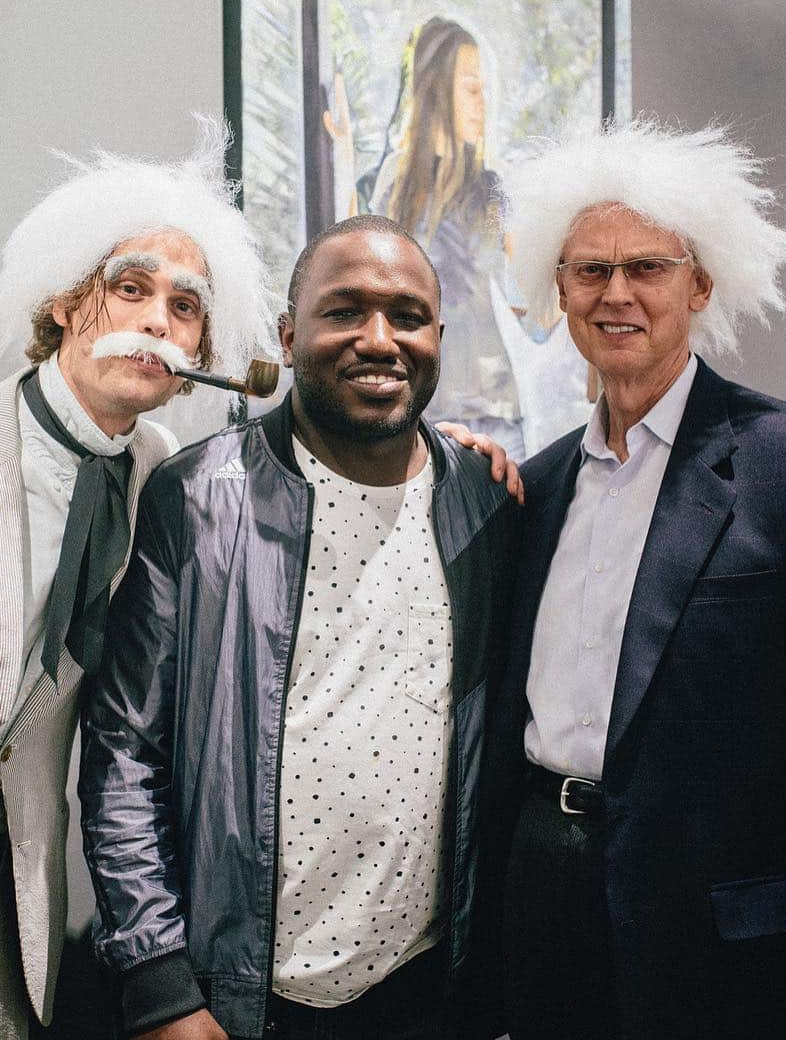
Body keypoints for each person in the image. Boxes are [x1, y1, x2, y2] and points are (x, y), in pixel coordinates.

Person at [0, 138, 275, 1039]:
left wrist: (441, 448)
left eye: (185, 309)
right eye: (133, 288)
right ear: (68, 304)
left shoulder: (163, 480)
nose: (157, 321)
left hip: (23, 937)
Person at [492, 120, 786, 1039]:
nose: (617, 293)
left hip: (728, 948)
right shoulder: (541, 483)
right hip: (548, 909)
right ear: (558, 290)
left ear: (701, 283)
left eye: (647, 267)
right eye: (590, 270)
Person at [80, 214, 522, 1040]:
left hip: (426, 985)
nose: (380, 339)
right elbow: (122, 751)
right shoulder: (199, 500)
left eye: (408, 316)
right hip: (239, 995)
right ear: (289, 336)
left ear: (437, 337)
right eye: (345, 311)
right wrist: (159, 982)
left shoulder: (485, 504)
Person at [358, 17, 525, 458]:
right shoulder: (396, 186)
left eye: (485, 89)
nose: (482, 103)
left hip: (493, 407)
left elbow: (528, 309)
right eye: (472, 88)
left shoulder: (491, 191)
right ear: (436, 89)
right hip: (417, 410)